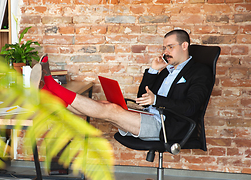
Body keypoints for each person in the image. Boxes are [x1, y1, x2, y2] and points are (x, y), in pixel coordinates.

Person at [36, 29, 213, 142]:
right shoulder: (167, 69)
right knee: (107, 105)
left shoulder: (200, 72)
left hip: (168, 126)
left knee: (111, 111)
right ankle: (50, 95)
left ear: (184, 45)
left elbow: (191, 108)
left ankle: (51, 85)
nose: (165, 52)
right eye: (164, 47)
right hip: (150, 115)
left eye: (170, 47)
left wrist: (157, 99)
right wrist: (153, 71)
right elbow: (142, 95)